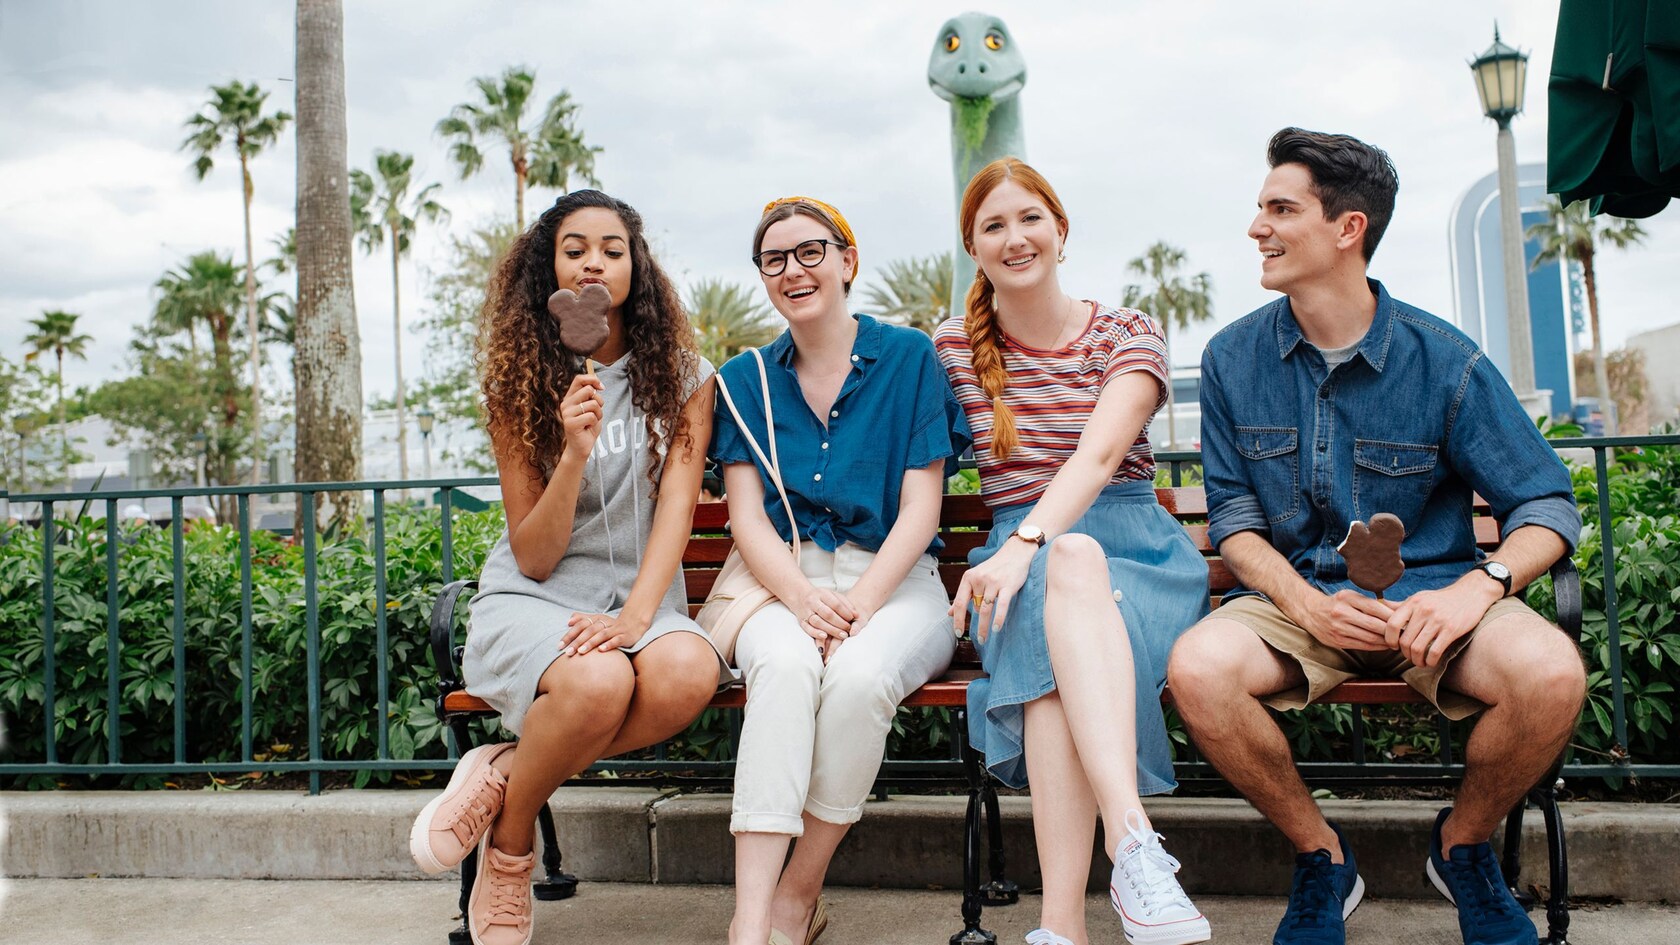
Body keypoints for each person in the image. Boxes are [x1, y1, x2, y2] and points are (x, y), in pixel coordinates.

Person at [1168, 128, 1586, 945]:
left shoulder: (1446, 361)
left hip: (1437, 606)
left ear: (1347, 228)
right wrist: (1307, 605)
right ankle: (1322, 855)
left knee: (1552, 675)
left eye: (1281, 209)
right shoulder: (1232, 358)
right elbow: (1237, 526)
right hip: (1298, 605)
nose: (1258, 226)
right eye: (1260, 207)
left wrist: (1477, 588)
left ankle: (1462, 846)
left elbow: (1546, 505)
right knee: (1198, 667)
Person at [407, 190, 730, 945]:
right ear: (549, 266)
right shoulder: (519, 379)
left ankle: (504, 769)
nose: (595, 261)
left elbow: (678, 509)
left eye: (613, 248)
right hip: (535, 597)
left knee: (688, 672)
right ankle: (512, 848)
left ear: (635, 265)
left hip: (636, 601)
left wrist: (636, 618)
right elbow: (534, 552)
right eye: (576, 247)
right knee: (598, 680)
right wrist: (574, 449)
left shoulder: (684, 373)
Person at [934, 157, 1212, 945]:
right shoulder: (952, 349)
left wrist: (1023, 545)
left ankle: (1068, 921)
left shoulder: (1126, 332)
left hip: (1133, 554)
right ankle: (1133, 859)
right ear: (974, 248)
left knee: (1073, 562)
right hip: (1016, 568)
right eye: (994, 226)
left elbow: (1096, 459)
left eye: (1030, 218)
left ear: (1060, 229)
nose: (1015, 237)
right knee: (1058, 612)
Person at [716, 196, 968, 945]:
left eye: (810, 251)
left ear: (847, 260)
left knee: (859, 679)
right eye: (774, 259)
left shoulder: (909, 357)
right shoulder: (745, 376)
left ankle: (799, 892)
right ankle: (750, 920)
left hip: (893, 584)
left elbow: (922, 510)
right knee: (787, 672)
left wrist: (856, 603)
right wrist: (801, 599)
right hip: (777, 585)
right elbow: (746, 517)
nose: (793, 270)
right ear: (763, 277)